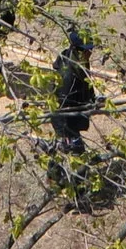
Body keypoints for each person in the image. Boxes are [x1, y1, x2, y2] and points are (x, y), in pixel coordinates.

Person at [46, 32, 97, 188]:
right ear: (77, 49)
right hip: (65, 119)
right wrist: (64, 132)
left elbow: (87, 83)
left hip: (74, 114)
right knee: (74, 151)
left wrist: (92, 100)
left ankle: (57, 180)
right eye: (85, 50)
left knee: (63, 150)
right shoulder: (67, 74)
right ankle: (74, 188)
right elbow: (59, 107)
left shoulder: (80, 62)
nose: (89, 53)